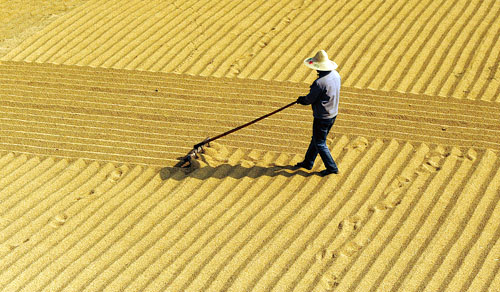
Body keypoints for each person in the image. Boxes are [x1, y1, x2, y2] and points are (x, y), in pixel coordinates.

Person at [295, 50, 340, 176]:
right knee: (316, 138)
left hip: (322, 116)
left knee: (320, 142)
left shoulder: (319, 83)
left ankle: (332, 168)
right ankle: (308, 162)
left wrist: (302, 100)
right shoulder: (336, 75)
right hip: (333, 113)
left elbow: (310, 99)